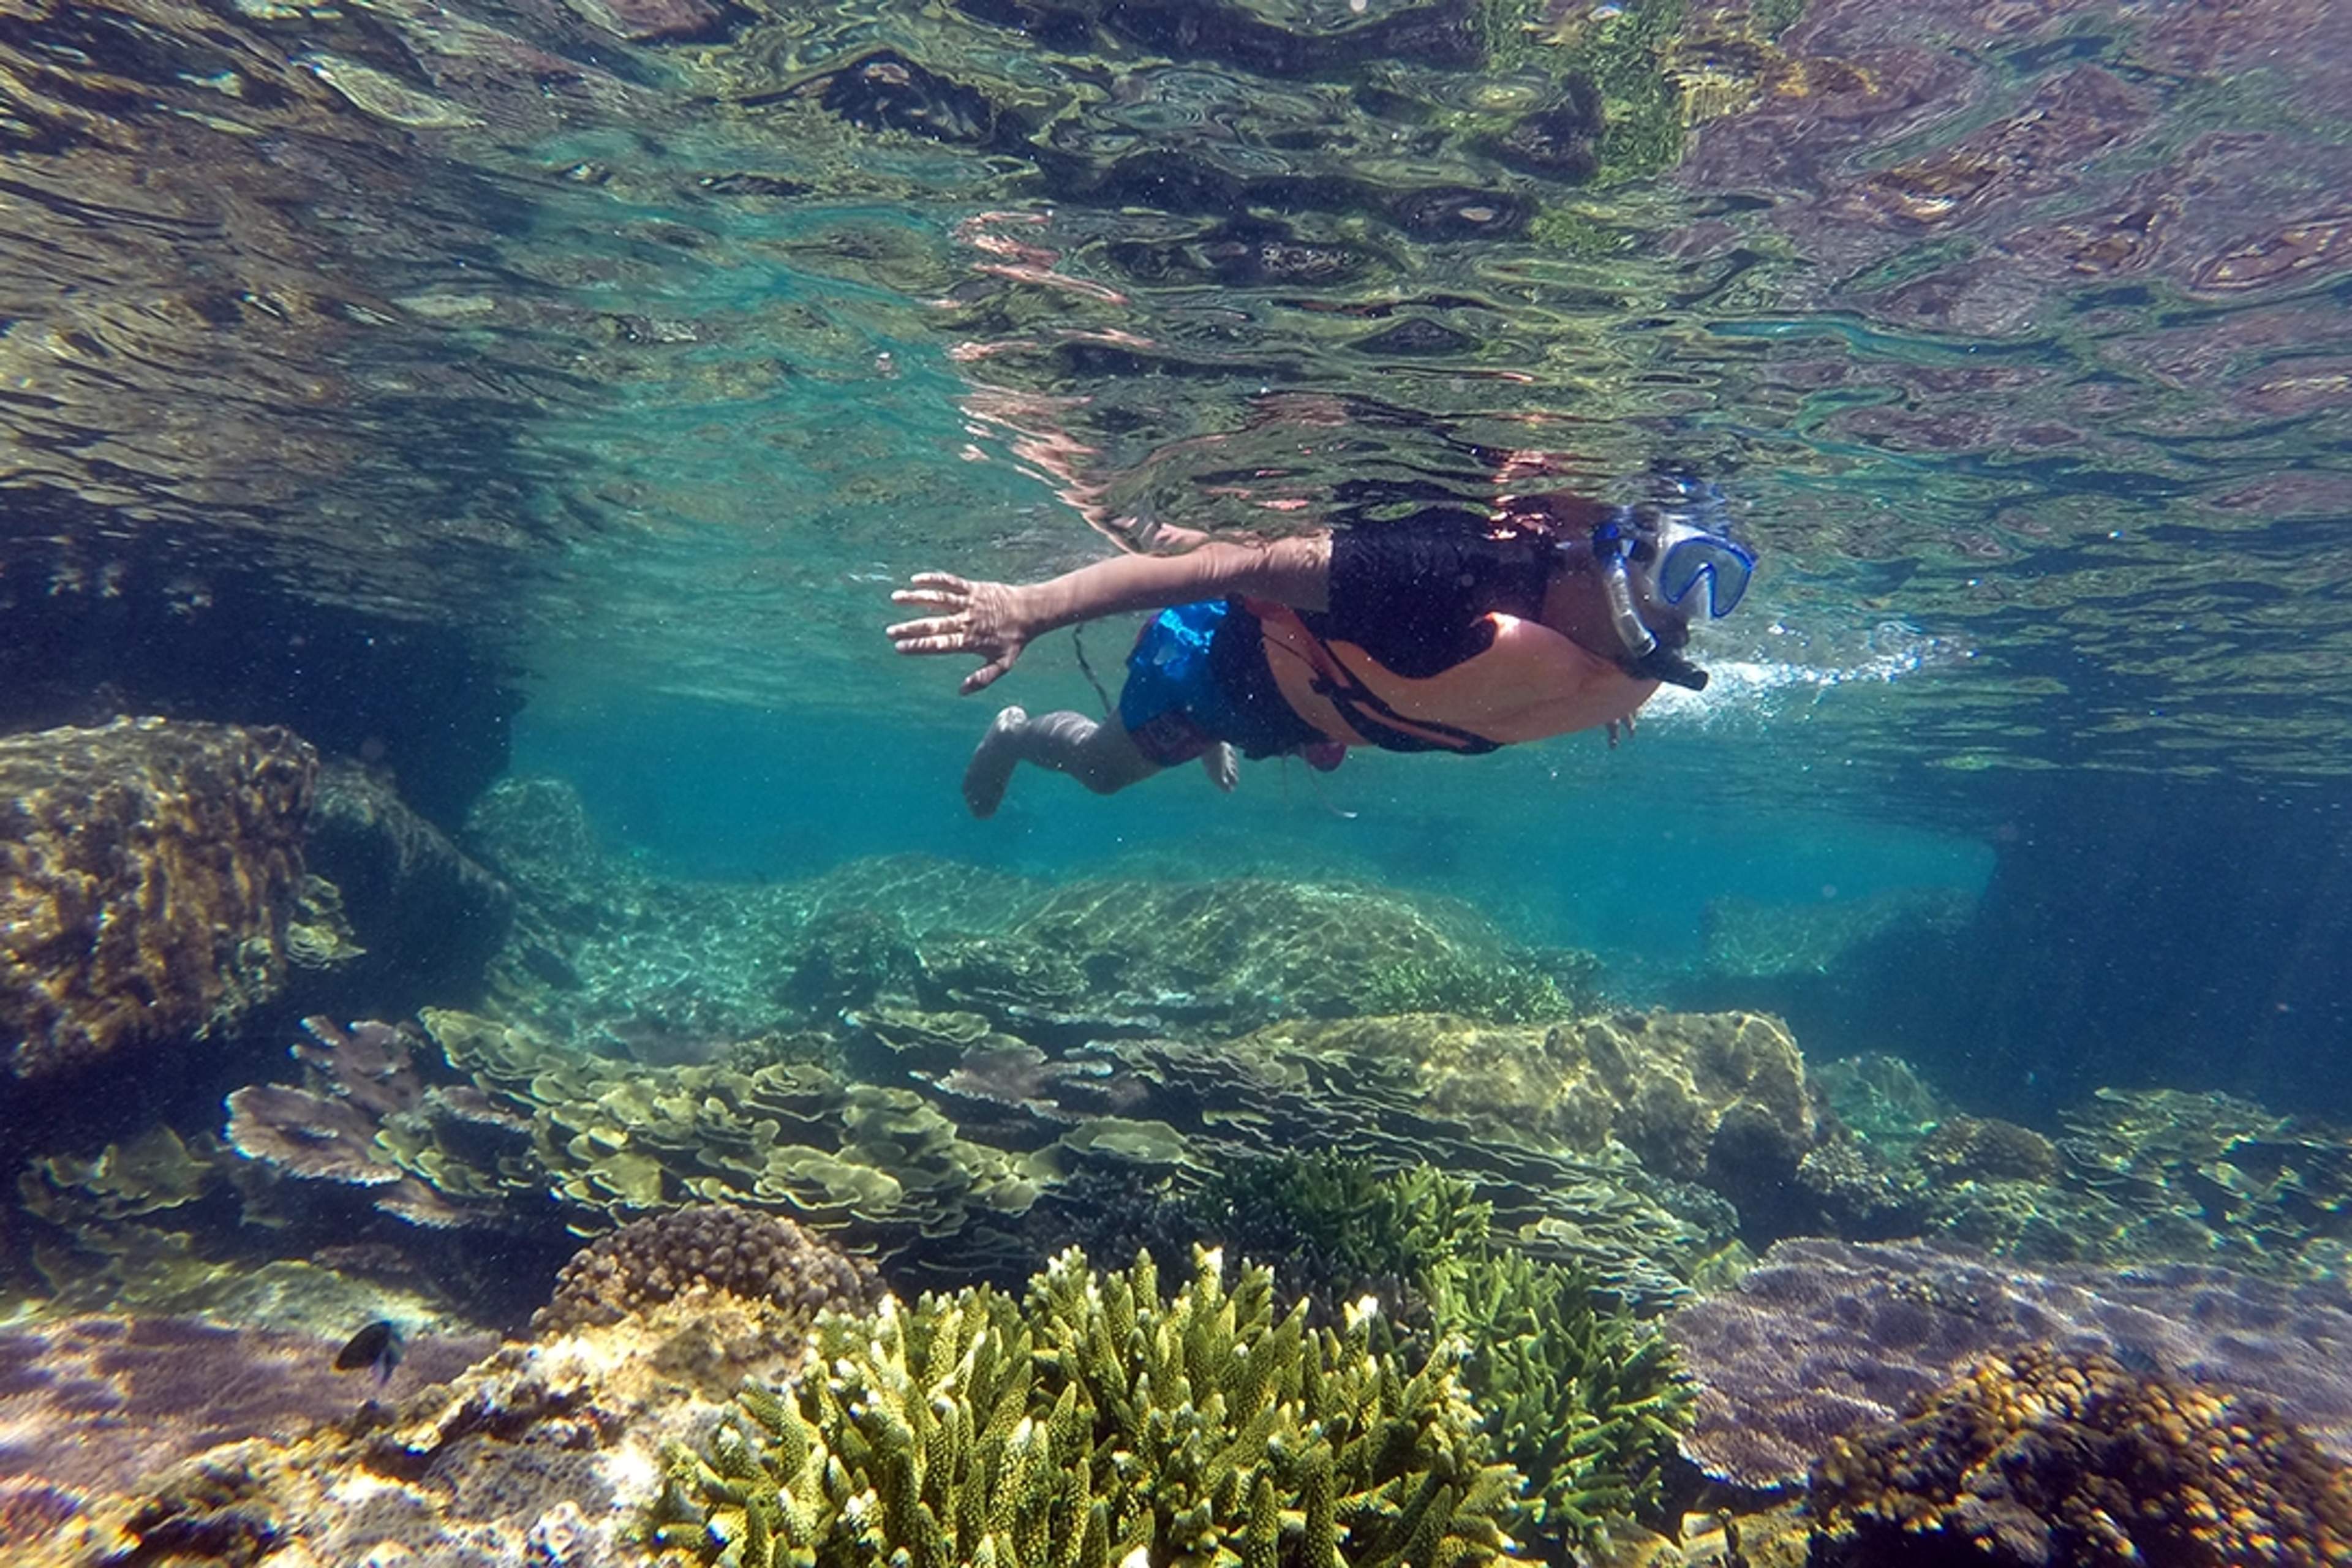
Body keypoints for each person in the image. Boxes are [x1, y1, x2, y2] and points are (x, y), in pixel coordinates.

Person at [887, 474, 1755, 818]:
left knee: (1317, 734)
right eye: (1677, 584)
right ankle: (1012, 733)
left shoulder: (1614, 654)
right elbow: (1228, 563)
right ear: (1601, 556)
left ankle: (1247, 739)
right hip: (1220, 671)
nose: (1685, 624)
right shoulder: (1437, 573)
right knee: (1105, 772)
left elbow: (1529, 682)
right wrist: (1034, 605)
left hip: (1325, 701)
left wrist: (1594, 691)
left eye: (1714, 593)